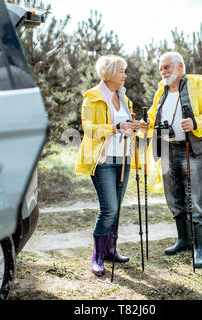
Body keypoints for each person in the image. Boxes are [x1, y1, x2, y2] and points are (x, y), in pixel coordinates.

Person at [141, 51, 202, 268]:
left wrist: (196, 123)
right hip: (167, 150)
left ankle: (198, 249)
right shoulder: (161, 92)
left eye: (167, 67)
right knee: (174, 198)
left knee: (195, 200)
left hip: (192, 150)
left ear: (180, 67)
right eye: (161, 68)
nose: (163, 71)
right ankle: (183, 240)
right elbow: (151, 119)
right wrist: (141, 125)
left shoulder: (199, 88)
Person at [75, 55, 142, 276]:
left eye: (125, 71)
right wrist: (116, 126)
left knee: (117, 209)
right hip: (102, 160)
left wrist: (136, 126)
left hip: (124, 158)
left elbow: (126, 127)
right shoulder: (92, 98)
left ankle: (111, 250)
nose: (125, 75)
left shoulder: (125, 99)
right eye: (121, 71)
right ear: (109, 73)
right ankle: (97, 256)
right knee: (109, 209)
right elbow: (89, 129)